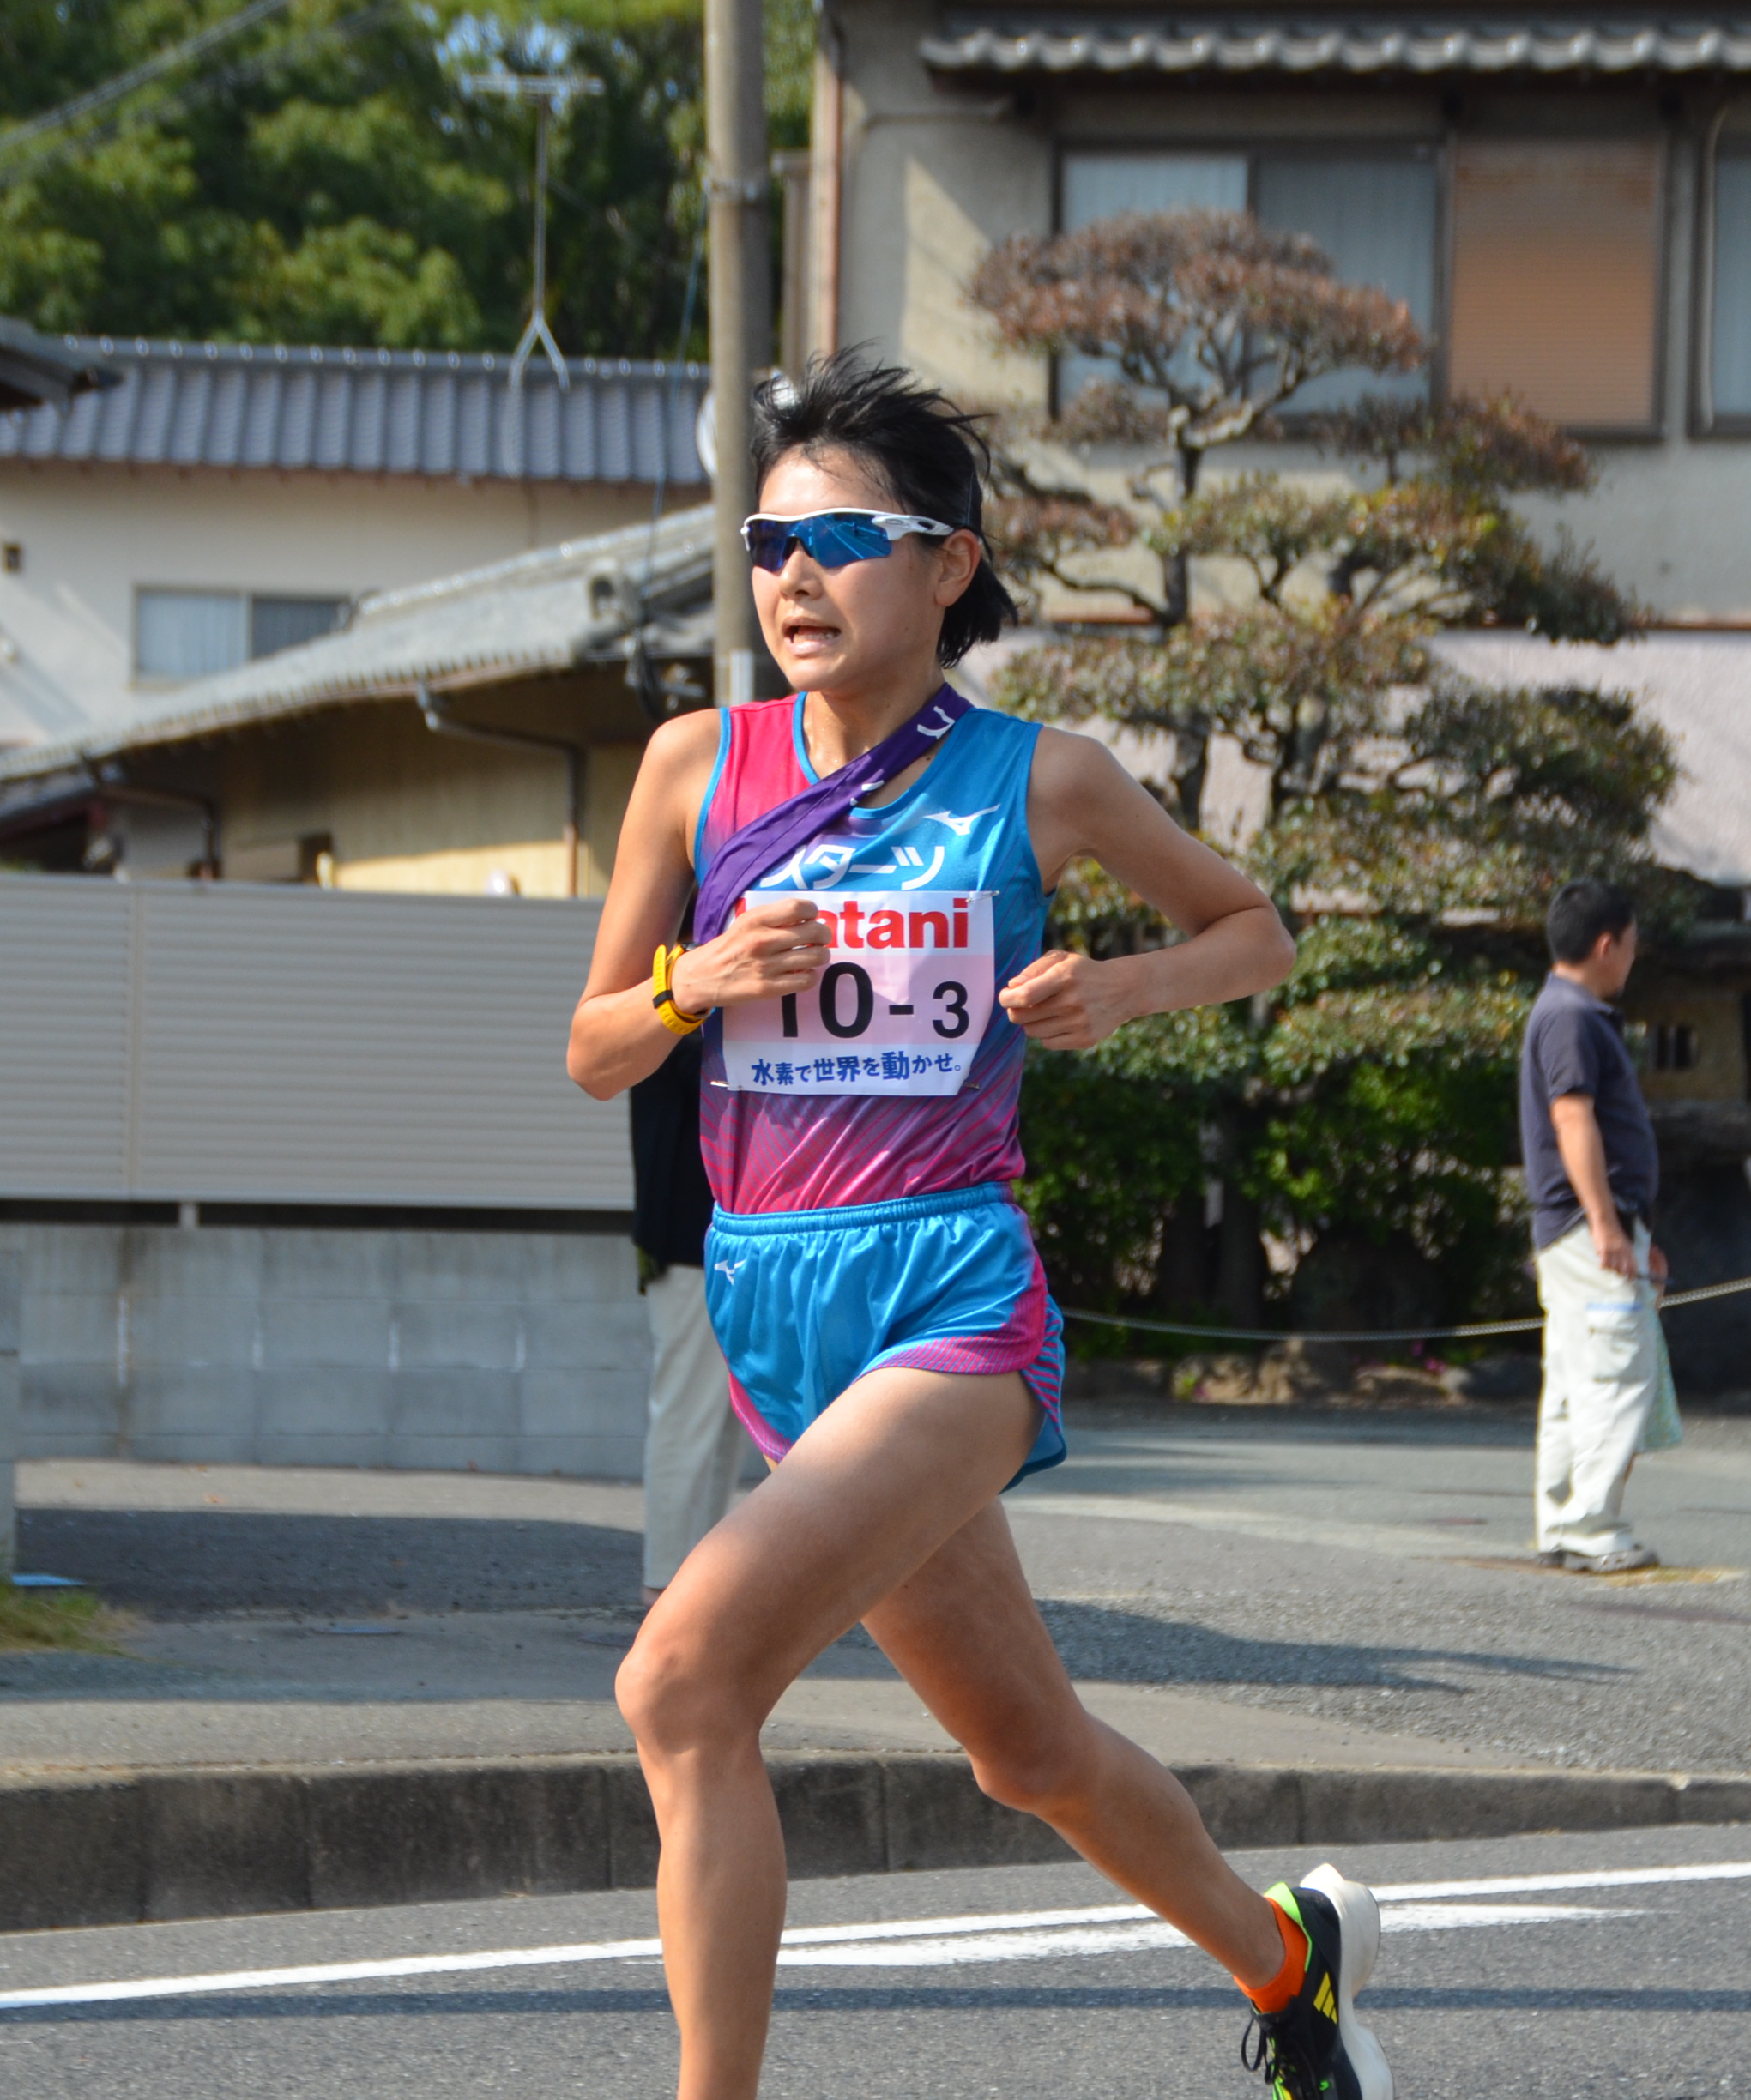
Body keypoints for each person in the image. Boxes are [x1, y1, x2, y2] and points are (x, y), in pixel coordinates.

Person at [565, 354, 1383, 2100]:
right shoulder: (691, 770)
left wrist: (1121, 989)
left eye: (842, 538)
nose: (792, 576)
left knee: (683, 1682)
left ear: (947, 563)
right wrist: (692, 980)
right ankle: (1290, 1964)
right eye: (766, 542)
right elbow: (590, 1049)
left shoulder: (1043, 779)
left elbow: (1257, 938)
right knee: (1027, 1750)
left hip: (949, 1294)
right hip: (768, 1304)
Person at [1519, 878, 1674, 1577]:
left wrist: (1632, 1229)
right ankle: (1591, 1524)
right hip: (1589, 1226)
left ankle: (1561, 1521)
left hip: (1578, 1227)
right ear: (1606, 945)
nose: (1633, 960)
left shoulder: (1558, 1012)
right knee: (1617, 1374)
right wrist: (1611, 1225)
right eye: (1632, 947)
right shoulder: (1574, 1017)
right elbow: (1572, 1118)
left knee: (1576, 1375)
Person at [634, 1029, 758, 1602]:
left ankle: (694, 1587)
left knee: (722, 1424)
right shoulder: (677, 1003)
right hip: (692, 1246)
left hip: (727, 1242)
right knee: (690, 1419)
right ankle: (666, 1584)